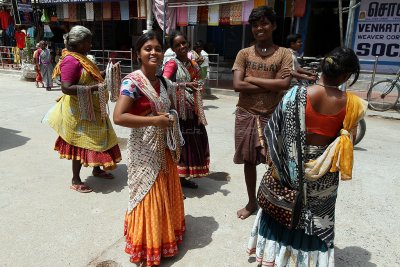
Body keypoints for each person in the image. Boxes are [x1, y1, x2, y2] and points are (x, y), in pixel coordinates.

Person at [247, 47, 367, 266]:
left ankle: (276, 259)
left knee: (283, 211)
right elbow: (350, 138)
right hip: (324, 175)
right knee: (315, 219)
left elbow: (275, 133)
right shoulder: (351, 104)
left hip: (288, 171)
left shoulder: (295, 95)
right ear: (346, 76)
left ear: (322, 67)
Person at [113, 31, 185, 266]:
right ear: (138, 54)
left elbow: (169, 105)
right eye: (148, 49)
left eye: (157, 48)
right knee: (146, 193)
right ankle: (147, 244)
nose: (153, 52)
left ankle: (165, 236)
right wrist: (154, 120)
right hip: (143, 148)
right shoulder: (131, 82)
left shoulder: (163, 81)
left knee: (164, 191)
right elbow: (119, 117)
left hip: (163, 146)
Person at [232, 6, 292, 220]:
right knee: (249, 162)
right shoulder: (244, 54)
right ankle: (251, 202)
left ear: (273, 25)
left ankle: (272, 202)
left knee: (274, 161)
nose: (260, 28)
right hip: (246, 114)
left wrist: (253, 79)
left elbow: (284, 83)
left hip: (272, 115)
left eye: (264, 23)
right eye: (256, 25)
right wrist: (270, 85)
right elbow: (237, 85)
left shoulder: (284, 54)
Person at [45, 25, 121, 193]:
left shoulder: (82, 58)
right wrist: (94, 89)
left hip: (93, 108)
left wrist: (108, 71)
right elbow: (66, 88)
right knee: (81, 143)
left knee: (100, 137)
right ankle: (76, 179)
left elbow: (91, 76)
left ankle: (96, 169)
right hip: (80, 111)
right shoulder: (71, 60)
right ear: (79, 44)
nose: (90, 45)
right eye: (88, 42)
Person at [162, 31, 210, 189]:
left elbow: (201, 78)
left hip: (192, 109)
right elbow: (164, 83)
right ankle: (174, 184)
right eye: (177, 45)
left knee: (191, 144)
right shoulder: (172, 64)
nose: (182, 46)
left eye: (184, 43)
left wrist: (201, 66)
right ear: (173, 49)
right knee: (178, 146)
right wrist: (185, 85)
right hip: (178, 111)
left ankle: (183, 179)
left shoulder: (193, 63)